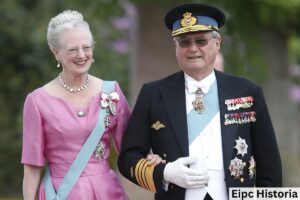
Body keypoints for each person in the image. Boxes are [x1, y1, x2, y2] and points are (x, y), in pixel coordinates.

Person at [118, 3, 282, 200]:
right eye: (184, 42)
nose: (193, 48)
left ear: (217, 43)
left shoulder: (247, 92)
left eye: (201, 41)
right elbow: (128, 158)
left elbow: (269, 166)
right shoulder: (153, 94)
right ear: (176, 47)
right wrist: (165, 173)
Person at [21, 10, 153, 200]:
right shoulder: (37, 100)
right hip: (60, 193)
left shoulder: (111, 91)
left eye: (87, 47)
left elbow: (132, 146)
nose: (82, 55)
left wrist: (154, 161)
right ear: (56, 52)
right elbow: (32, 168)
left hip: (107, 192)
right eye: (73, 49)